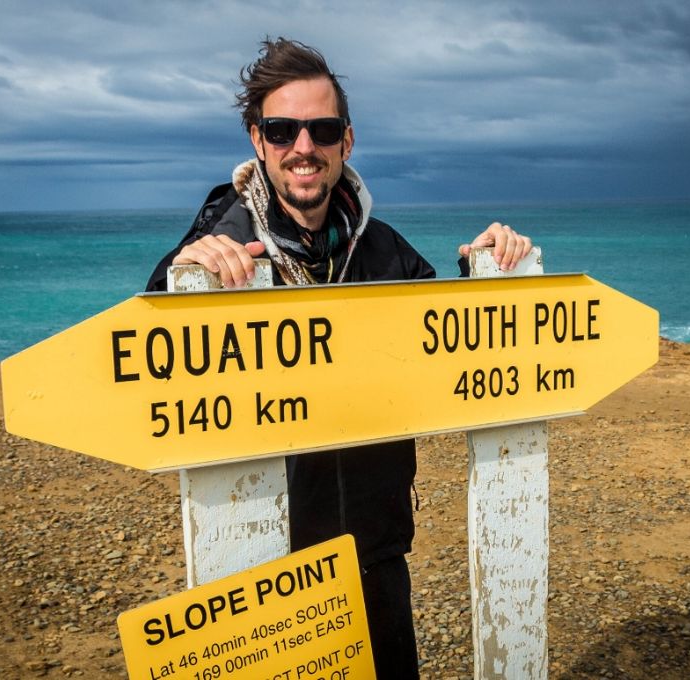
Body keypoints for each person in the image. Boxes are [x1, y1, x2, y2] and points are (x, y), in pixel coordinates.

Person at [146, 37, 532, 679]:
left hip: (376, 551)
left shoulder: (381, 249)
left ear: (345, 142)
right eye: (282, 128)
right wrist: (177, 278)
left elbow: (446, 337)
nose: (304, 146)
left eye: (322, 129)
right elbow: (146, 355)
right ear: (258, 140)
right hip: (267, 561)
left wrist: (486, 264)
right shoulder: (222, 245)